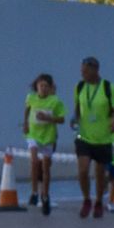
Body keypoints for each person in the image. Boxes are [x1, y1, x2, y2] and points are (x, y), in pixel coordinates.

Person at [69, 56, 114, 219]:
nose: (82, 74)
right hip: (84, 136)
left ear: (95, 70)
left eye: (85, 71)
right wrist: (75, 119)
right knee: (83, 170)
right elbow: (78, 108)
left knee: (99, 174)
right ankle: (86, 200)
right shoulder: (79, 87)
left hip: (103, 139)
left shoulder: (108, 88)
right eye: (81, 71)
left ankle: (98, 201)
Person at [23, 74, 66, 216]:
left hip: (48, 137)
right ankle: (34, 192)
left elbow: (62, 119)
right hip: (33, 135)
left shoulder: (55, 101)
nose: (43, 88)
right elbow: (27, 110)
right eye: (41, 86)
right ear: (36, 86)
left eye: (46, 86)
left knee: (46, 167)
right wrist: (25, 123)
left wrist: (48, 118)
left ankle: (45, 195)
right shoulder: (31, 97)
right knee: (34, 161)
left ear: (50, 88)